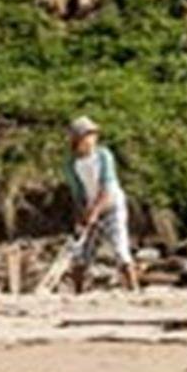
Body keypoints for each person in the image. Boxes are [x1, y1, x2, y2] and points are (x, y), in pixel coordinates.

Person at [64, 116, 140, 294]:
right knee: (81, 253)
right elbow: (79, 194)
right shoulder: (72, 164)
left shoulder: (104, 156)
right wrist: (83, 217)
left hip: (112, 206)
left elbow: (107, 188)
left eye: (92, 135)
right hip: (91, 207)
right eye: (86, 135)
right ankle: (78, 293)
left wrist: (95, 213)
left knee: (120, 249)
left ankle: (133, 289)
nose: (90, 139)